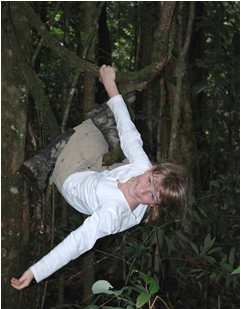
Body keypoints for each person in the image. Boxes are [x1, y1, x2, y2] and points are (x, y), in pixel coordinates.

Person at [11, 65, 186, 290]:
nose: (143, 191)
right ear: (151, 171)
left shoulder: (112, 214)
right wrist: (109, 83)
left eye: (152, 196)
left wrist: (36, 272)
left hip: (71, 177)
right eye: (150, 182)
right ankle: (112, 110)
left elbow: (78, 242)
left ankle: (45, 164)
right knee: (121, 129)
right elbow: (129, 132)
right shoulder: (143, 168)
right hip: (99, 174)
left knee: (89, 127)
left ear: (156, 204)